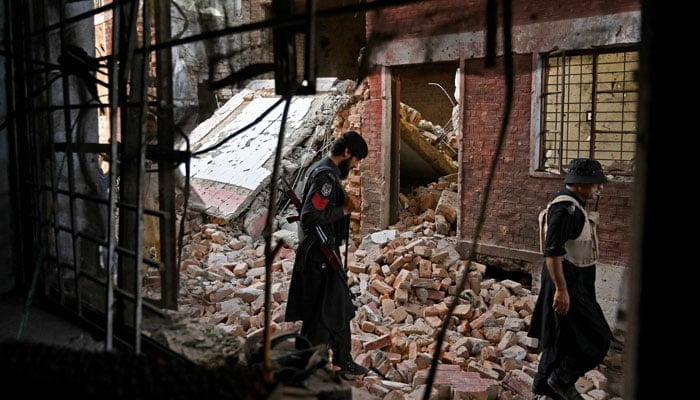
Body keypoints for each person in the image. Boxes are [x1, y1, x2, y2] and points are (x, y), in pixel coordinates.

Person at [284, 130, 369, 377]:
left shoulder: (320, 169)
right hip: (318, 256)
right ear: (347, 153)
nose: (354, 166)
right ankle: (303, 365)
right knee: (323, 314)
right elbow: (310, 216)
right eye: (356, 161)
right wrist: (342, 210)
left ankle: (342, 361)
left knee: (339, 304)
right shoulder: (326, 178)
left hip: (323, 254)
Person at [528, 158, 613, 400]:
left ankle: (543, 385)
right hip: (568, 282)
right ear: (579, 184)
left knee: (561, 335)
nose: (599, 188)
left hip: (573, 281)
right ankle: (560, 380)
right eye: (595, 183)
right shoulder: (565, 210)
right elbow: (552, 252)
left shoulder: (575, 205)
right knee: (599, 339)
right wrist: (561, 289)